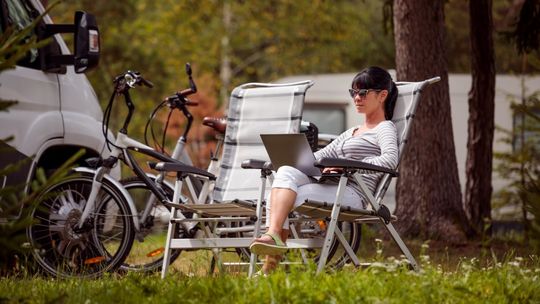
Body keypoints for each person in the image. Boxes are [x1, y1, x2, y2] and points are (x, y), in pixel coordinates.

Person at [249, 66, 400, 274]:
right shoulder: (351, 132)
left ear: (382, 95)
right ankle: (274, 236)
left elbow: (391, 160)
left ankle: (269, 267)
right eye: (353, 93)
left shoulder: (385, 128)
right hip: (333, 185)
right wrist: (298, 159)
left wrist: (349, 166)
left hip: (354, 193)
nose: (357, 97)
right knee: (285, 172)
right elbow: (318, 157)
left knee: (280, 197)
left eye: (363, 93)